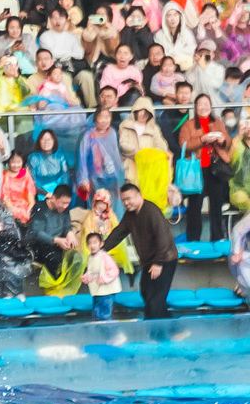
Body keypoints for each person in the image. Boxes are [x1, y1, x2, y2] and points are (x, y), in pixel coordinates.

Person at [103, 182, 179, 319]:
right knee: (146, 292)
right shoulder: (130, 215)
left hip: (164, 260)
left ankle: (160, 327)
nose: (126, 203)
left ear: (139, 196)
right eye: (123, 200)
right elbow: (119, 232)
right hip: (149, 261)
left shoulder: (151, 212)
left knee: (156, 299)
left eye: (129, 199)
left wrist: (158, 263)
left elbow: (163, 238)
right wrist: (102, 249)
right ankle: (165, 323)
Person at [177, 93, 231, 242]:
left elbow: (228, 142)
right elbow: (184, 144)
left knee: (216, 205)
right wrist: (202, 139)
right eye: (200, 104)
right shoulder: (188, 125)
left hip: (215, 168)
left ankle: (217, 239)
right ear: (195, 107)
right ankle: (193, 240)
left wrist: (221, 140)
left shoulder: (218, 122)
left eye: (206, 103)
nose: (203, 106)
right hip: (197, 170)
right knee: (195, 207)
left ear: (211, 106)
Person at [82, 231, 122, 321]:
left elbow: (114, 270)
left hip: (107, 291)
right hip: (97, 290)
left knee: (104, 312)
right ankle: (98, 327)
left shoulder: (104, 257)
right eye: (89, 243)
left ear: (101, 244)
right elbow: (91, 271)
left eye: (95, 242)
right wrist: (86, 277)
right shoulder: (90, 257)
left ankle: (106, 328)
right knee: (97, 311)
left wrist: (104, 279)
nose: (92, 245)